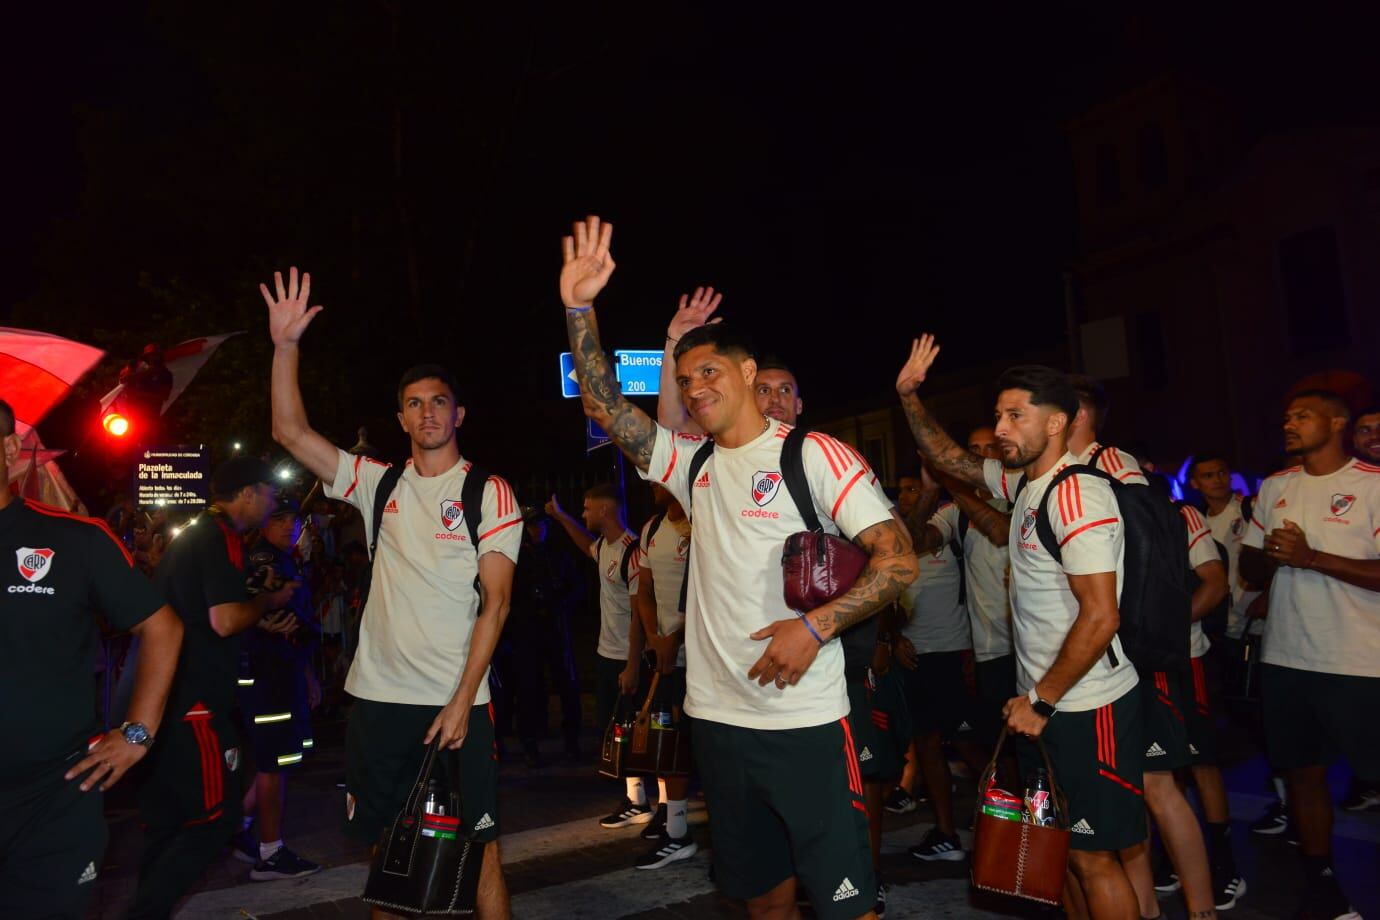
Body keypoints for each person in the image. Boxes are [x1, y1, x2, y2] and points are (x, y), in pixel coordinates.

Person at [559, 215, 916, 919]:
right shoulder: (691, 464)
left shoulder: (813, 454)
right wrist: (579, 306)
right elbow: (604, 404)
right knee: (760, 898)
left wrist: (813, 628)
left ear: (750, 373)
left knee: (849, 903)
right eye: (686, 379)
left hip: (806, 723)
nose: (694, 389)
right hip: (717, 723)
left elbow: (897, 559)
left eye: (710, 372)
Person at [265, 267, 521, 919]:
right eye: (414, 403)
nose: (427, 413)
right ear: (400, 416)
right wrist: (286, 347)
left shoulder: (487, 491)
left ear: (458, 413)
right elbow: (292, 435)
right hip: (379, 702)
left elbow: (497, 603)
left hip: (457, 703)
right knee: (390, 850)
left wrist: (463, 701)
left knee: (480, 849)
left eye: (438, 402)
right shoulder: (377, 484)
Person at [897, 337, 1144, 920]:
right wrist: (909, 396)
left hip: (1086, 705)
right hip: (1049, 704)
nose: (1000, 427)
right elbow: (953, 460)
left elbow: (1101, 614)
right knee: (1067, 854)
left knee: (1095, 857)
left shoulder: (1077, 493)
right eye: (998, 414)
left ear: (1057, 423)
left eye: (1015, 416)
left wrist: (1041, 699)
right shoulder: (1027, 486)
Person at [0, 398, 183, 919]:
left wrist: (137, 732)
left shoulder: (73, 540)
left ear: (10, 448)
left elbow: (162, 627)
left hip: (54, 798)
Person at [127, 457, 298, 918]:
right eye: (268, 494)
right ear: (247, 493)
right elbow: (223, 620)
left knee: (166, 825)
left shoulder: (204, 535)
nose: (270, 505)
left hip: (167, 697)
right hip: (193, 701)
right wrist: (265, 601)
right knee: (216, 819)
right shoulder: (216, 536)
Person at [1240, 390, 1380, 920]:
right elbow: (1251, 570)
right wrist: (1269, 555)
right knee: (1303, 773)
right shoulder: (1276, 485)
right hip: (1288, 657)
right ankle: (1321, 882)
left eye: (1302, 415)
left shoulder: (1372, 485)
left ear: (1337, 422)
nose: (1289, 423)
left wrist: (1311, 555)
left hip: (1361, 661)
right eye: (1286, 416)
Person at [892, 465, 992, 864]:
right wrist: (894, 637)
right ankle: (946, 833)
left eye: (915, 488)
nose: (907, 495)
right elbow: (883, 594)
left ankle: (1009, 824)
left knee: (972, 746)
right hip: (915, 656)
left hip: (956, 653)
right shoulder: (888, 535)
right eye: (903, 489)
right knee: (928, 746)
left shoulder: (950, 526)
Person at [545, 484, 651, 827]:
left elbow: (640, 613)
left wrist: (633, 664)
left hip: (625, 656)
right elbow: (585, 545)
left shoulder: (632, 551)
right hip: (607, 654)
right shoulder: (605, 546)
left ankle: (647, 801)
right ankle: (636, 799)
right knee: (615, 731)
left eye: (588, 509)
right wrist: (561, 518)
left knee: (634, 732)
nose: (584, 514)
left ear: (605, 511)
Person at [233, 497, 322, 881]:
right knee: (273, 762)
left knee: (279, 758)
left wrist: (307, 676)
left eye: (294, 520)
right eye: (280, 519)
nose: (289, 527)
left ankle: (237, 829)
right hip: (265, 675)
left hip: (282, 672)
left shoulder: (284, 559)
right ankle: (270, 853)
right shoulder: (263, 560)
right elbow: (272, 616)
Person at [628, 483, 699, 869]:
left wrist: (677, 637)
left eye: (659, 476)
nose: (652, 482)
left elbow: (712, 590)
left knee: (703, 748)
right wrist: (655, 638)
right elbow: (644, 591)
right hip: (667, 657)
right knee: (668, 742)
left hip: (702, 656)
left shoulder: (701, 524)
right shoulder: (652, 528)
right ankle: (676, 829)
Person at [508, 505, 585, 766]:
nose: (536, 529)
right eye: (532, 525)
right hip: (528, 632)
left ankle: (572, 742)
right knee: (529, 689)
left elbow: (577, 587)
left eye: (540, 524)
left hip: (555, 628)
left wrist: (560, 602)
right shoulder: (518, 557)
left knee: (567, 687)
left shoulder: (558, 555)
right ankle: (530, 743)